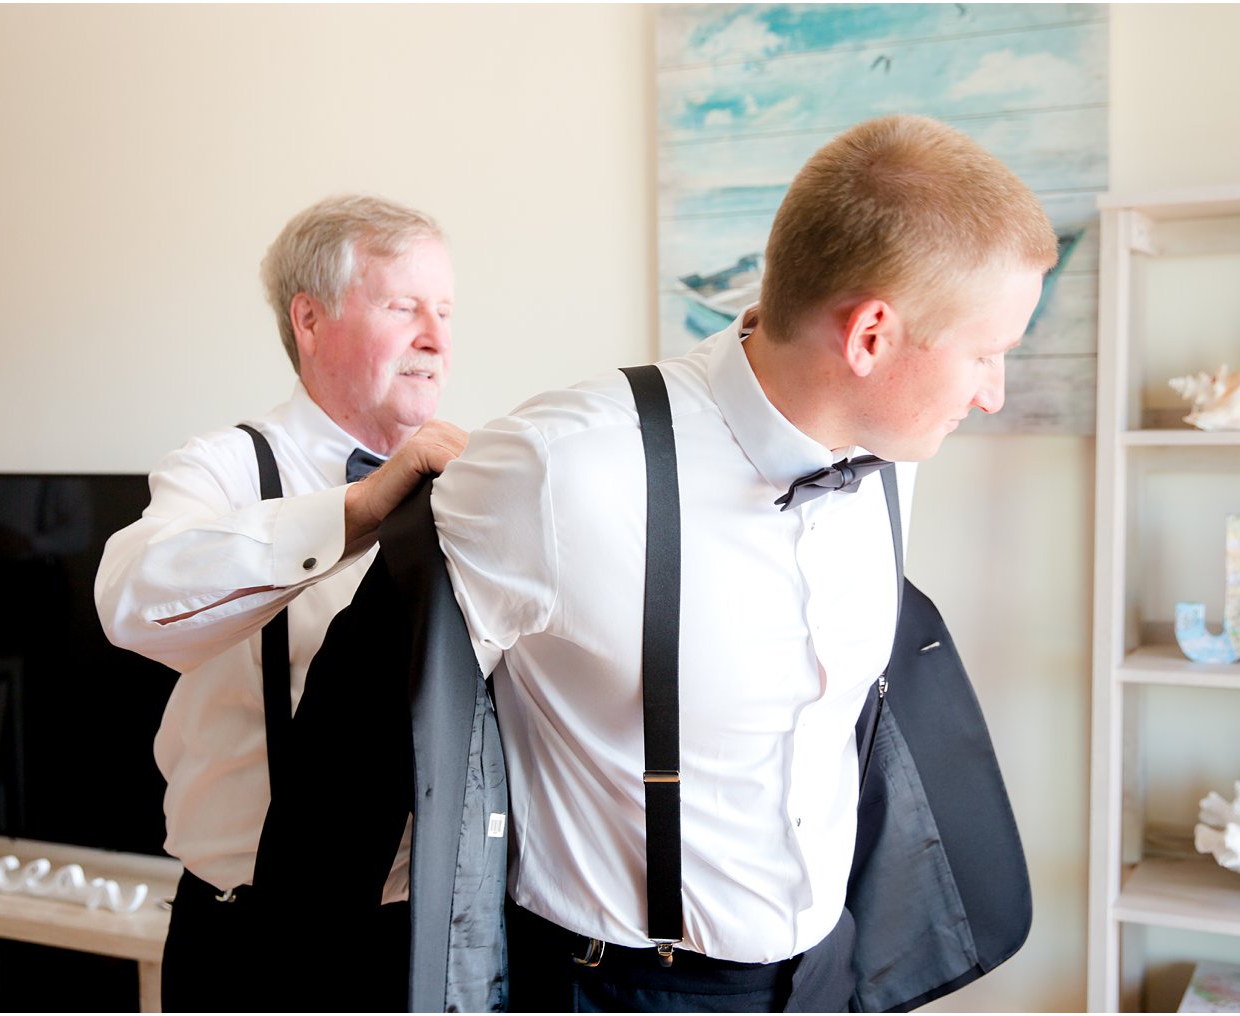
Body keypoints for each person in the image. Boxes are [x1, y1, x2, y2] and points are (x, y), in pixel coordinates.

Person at [429, 113, 1059, 1011]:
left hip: (826, 973)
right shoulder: (562, 469)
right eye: (987, 354)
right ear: (871, 336)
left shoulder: (893, 461)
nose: (992, 392)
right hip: (624, 988)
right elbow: (380, 716)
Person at [94, 194, 465, 1012]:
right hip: (253, 942)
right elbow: (129, 602)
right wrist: (354, 513)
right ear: (309, 318)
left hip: (427, 936)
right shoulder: (223, 467)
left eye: (445, 310)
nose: (437, 339)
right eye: (404, 307)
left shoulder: (472, 479)